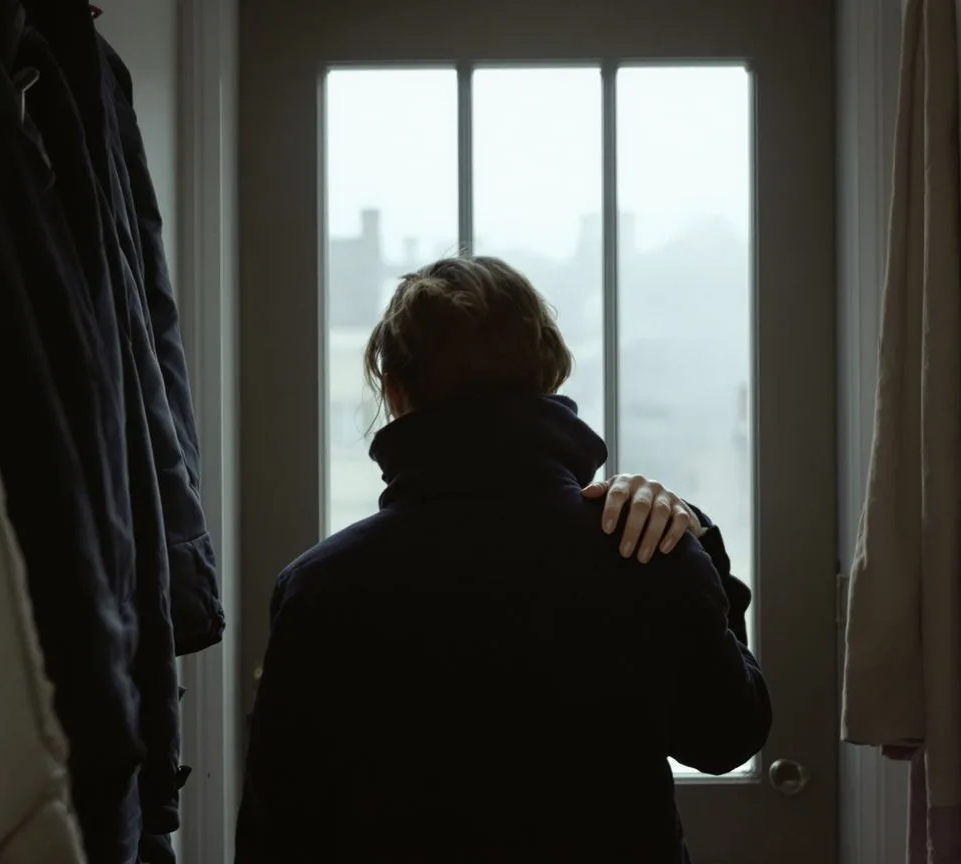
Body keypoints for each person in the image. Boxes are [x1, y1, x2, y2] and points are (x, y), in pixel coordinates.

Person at [236, 257, 770, 863]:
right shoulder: (641, 548)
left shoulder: (318, 588)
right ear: (550, 375)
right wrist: (697, 544)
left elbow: (277, 831)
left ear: (394, 391)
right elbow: (727, 738)